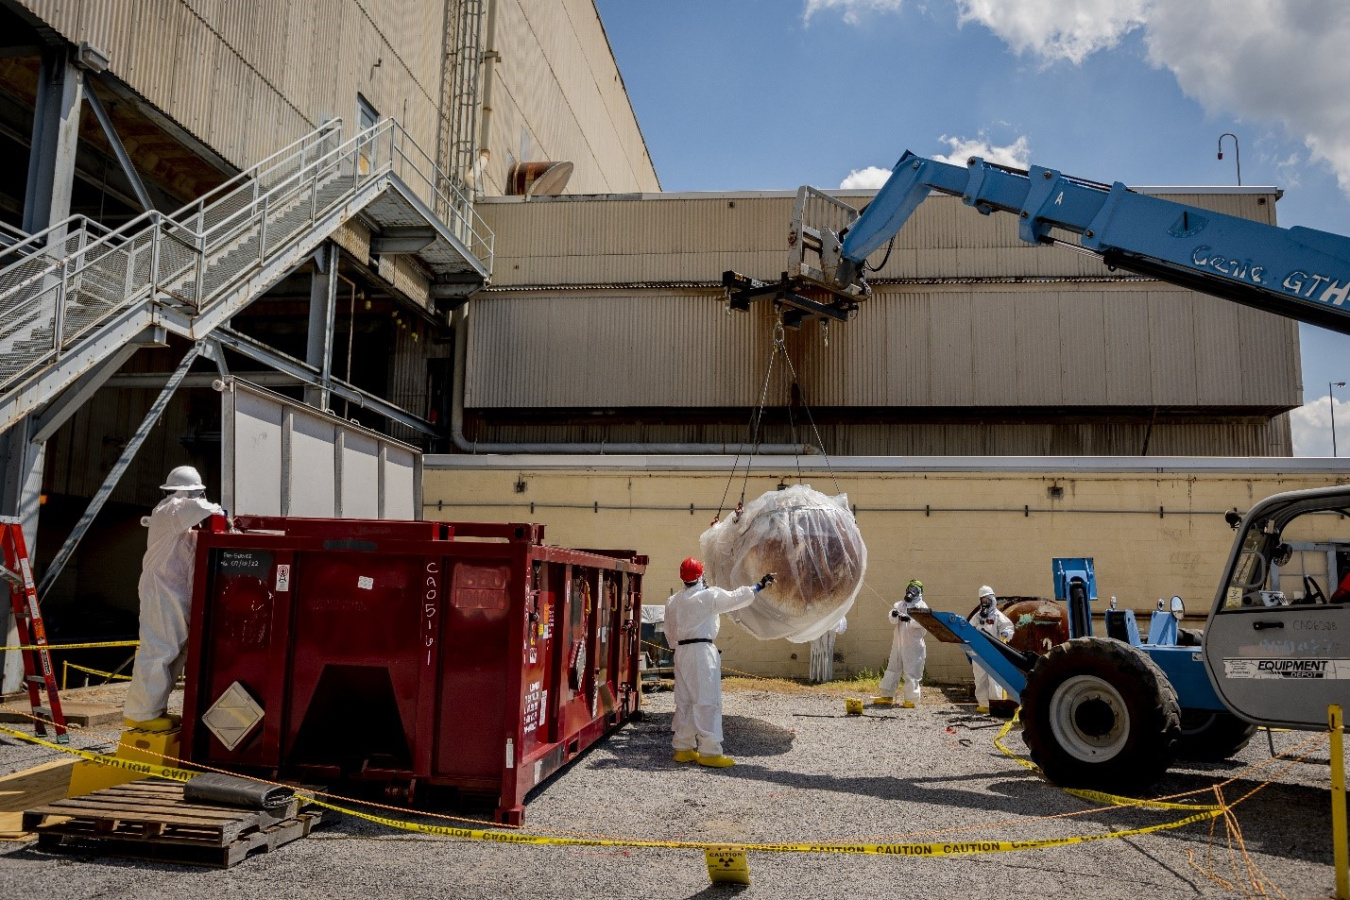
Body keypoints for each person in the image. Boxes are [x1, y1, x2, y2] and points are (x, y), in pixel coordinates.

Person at [123, 466, 224, 731]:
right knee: (160, 649)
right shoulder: (171, 510)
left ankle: (153, 709)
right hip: (161, 590)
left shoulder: (179, 518)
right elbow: (208, 508)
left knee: (173, 651)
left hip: (172, 591)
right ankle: (141, 713)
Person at [667, 557, 774, 768]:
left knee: (685, 700)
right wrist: (758, 586)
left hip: (681, 652)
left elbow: (670, 631)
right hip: (701, 650)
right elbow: (735, 598)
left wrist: (678, 649)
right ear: (701, 576)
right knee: (707, 700)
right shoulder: (709, 596)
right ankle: (709, 752)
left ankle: (683, 747)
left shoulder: (674, 601)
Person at [875, 579, 928, 708]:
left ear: (920, 592)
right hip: (898, 644)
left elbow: (925, 625)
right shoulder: (900, 604)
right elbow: (892, 620)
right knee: (892, 668)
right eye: (910, 588)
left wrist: (909, 619)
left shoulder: (922, 606)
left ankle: (911, 699)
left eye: (915, 589)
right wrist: (894, 615)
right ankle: (887, 696)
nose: (912, 591)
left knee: (912, 672)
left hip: (914, 645)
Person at [968, 585, 1014, 714]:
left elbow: (1008, 627)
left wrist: (1006, 633)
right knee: (980, 678)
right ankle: (983, 704)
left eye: (987, 600)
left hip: (994, 651)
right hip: (979, 651)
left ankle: (996, 704)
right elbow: (969, 629)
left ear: (992, 599)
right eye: (983, 600)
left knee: (995, 679)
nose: (985, 603)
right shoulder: (977, 616)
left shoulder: (998, 616)